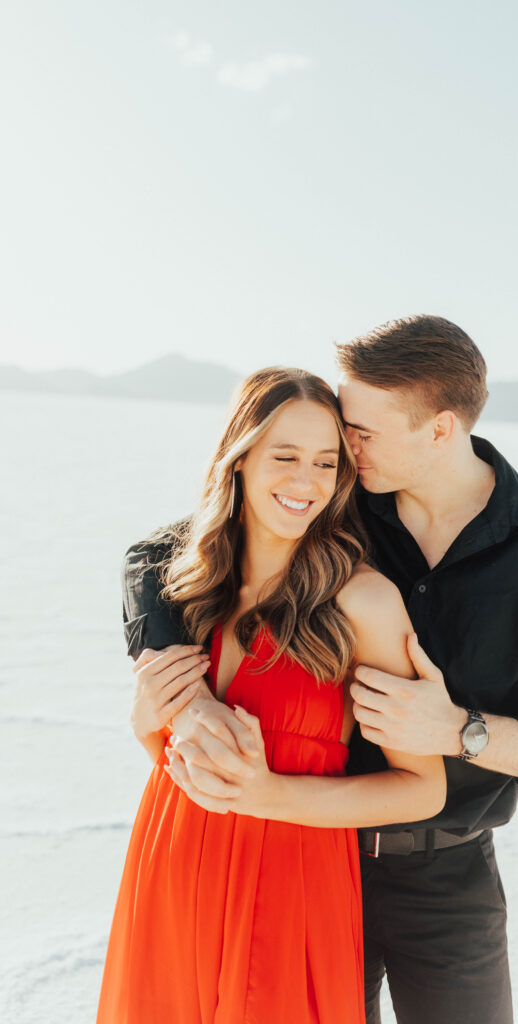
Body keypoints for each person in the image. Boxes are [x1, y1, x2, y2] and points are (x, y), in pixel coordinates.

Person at [122, 316, 518, 1024]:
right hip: (305, 856)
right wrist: (183, 688)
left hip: (444, 871)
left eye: (360, 432)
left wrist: (460, 731)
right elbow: (156, 555)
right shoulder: (334, 495)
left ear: (440, 430)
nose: (342, 449)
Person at [96, 367, 446, 1024]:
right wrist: (148, 721)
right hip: (169, 866)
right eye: (285, 456)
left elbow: (422, 787)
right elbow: (182, 756)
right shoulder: (190, 591)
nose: (306, 482)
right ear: (240, 457)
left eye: (325, 462)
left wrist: (271, 795)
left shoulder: (362, 602)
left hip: (290, 890)